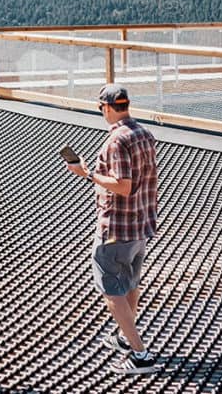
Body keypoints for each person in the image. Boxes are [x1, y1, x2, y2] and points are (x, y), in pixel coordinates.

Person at [65, 84, 159, 374]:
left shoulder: (116, 141)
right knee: (130, 283)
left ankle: (140, 354)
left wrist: (88, 173)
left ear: (106, 107)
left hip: (116, 227)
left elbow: (123, 186)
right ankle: (124, 338)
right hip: (141, 224)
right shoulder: (145, 133)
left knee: (111, 291)